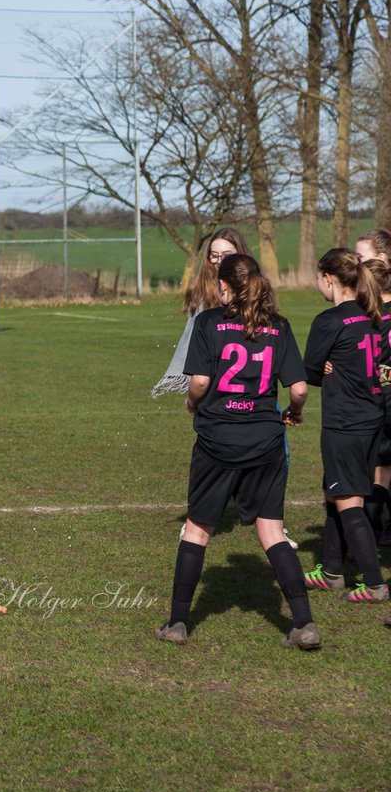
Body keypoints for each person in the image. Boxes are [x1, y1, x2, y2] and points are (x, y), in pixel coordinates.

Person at [156, 254, 317, 647]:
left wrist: (194, 403)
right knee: (272, 530)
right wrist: (292, 413)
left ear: (224, 286)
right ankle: (304, 624)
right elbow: (298, 389)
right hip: (265, 441)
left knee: (197, 528)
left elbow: (198, 381)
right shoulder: (279, 326)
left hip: (218, 440)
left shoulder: (209, 322)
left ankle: (178, 623)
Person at [300, 248, 390, 603]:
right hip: (371, 418)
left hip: (344, 423)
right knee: (335, 493)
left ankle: (373, 583)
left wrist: (323, 369)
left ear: (329, 279)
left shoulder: (328, 320)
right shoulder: (373, 316)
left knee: (348, 500)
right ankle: (332, 570)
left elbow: (307, 373)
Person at [151, 228, 251, 398]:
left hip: (253, 385)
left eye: (226, 255)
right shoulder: (202, 293)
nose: (219, 261)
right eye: (214, 255)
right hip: (216, 391)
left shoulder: (255, 291)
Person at [354, 229, 391, 544]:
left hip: (380, 400)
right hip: (378, 397)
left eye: (361, 258)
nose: (356, 264)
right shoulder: (366, 308)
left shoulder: (373, 312)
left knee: (380, 467)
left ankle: (365, 532)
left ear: (382, 260)